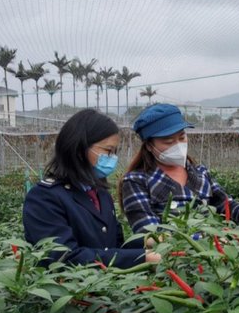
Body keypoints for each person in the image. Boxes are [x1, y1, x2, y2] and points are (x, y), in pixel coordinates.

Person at [23, 109, 161, 268]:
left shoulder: (100, 194)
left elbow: (114, 248)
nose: (112, 158)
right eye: (108, 151)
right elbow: (63, 258)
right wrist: (144, 258)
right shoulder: (44, 198)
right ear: (79, 149)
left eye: (114, 152)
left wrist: (148, 241)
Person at [120, 104, 239, 234]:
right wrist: (204, 240)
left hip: (214, 253)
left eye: (182, 137)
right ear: (149, 146)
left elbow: (227, 206)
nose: (178, 145)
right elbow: (149, 233)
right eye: (168, 142)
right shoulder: (137, 181)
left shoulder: (201, 173)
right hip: (174, 254)